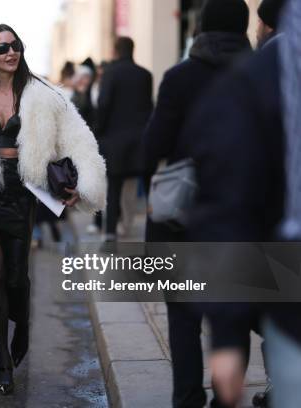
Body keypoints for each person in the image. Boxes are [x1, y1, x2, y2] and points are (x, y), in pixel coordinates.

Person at [0, 24, 107, 395]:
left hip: (20, 193)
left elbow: (78, 138)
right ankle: (2, 360)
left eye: (16, 45)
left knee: (16, 278)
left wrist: (87, 183)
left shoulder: (44, 95)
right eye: (1, 48)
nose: (11, 52)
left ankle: (24, 326)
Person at [181, 0, 301, 405]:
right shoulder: (266, 76)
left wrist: (228, 335)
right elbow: (230, 206)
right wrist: (228, 331)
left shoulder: (251, 77)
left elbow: (226, 205)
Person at [143, 1, 252, 406]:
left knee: (184, 315)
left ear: (200, 28)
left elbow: (154, 145)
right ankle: (228, 397)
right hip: (243, 215)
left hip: (184, 217)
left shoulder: (180, 77)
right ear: (245, 28)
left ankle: (188, 397)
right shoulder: (261, 77)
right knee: (234, 312)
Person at [94, 36, 153, 242]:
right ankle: (152, 233)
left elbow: (104, 105)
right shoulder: (145, 75)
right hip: (141, 140)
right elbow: (148, 107)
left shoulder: (110, 74)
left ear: (116, 51)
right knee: (147, 189)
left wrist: (99, 132)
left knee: (114, 187)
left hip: (115, 141)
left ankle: (110, 233)